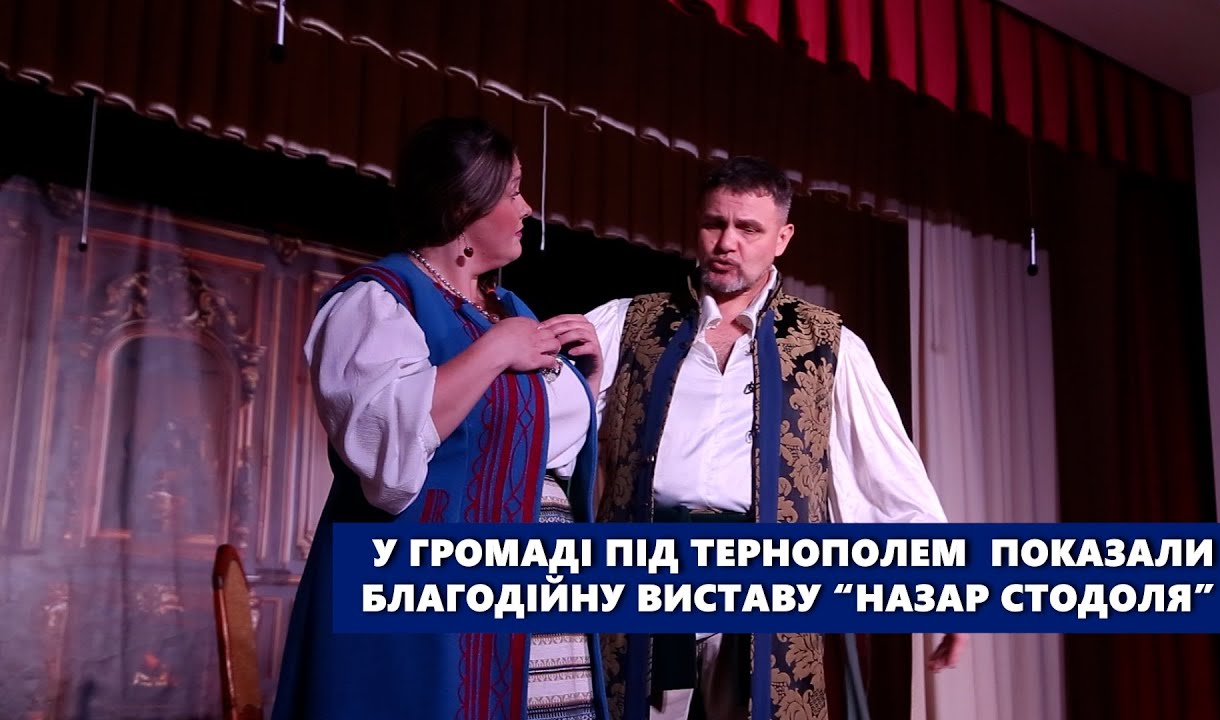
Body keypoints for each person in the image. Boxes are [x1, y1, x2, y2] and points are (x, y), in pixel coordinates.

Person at [586, 156, 966, 720]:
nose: (726, 243)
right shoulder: (628, 323)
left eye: (748, 228)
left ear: (782, 238)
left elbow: (885, 475)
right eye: (714, 223)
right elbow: (547, 430)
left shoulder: (827, 345)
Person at [273, 116, 609, 720]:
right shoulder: (379, 301)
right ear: (462, 207)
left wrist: (584, 382)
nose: (527, 209)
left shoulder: (507, 307)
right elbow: (387, 456)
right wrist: (495, 350)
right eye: (513, 192)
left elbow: (543, 451)